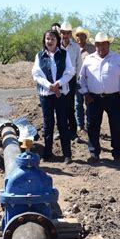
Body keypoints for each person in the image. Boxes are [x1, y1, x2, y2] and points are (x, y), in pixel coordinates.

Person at [79, 32, 120, 163]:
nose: (101, 47)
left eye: (103, 44)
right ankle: (94, 153)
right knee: (92, 126)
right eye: (98, 44)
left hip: (113, 98)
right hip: (93, 98)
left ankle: (117, 154)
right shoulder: (88, 60)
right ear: (94, 45)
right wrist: (86, 94)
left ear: (108, 44)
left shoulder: (118, 59)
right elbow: (81, 79)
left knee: (116, 126)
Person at [32, 29, 75, 164]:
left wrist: (58, 83)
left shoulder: (64, 54)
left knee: (62, 123)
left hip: (61, 94)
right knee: (48, 123)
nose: (49, 41)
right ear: (44, 41)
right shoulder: (39, 56)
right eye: (47, 39)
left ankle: (67, 154)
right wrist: (49, 85)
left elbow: (70, 71)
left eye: (52, 39)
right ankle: (47, 153)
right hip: (46, 94)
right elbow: (36, 74)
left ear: (57, 40)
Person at [59, 22, 82, 140]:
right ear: (60, 33)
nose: (65, 35)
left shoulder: (75, 47)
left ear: (70, 33)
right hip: (58, 79)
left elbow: (79, 64)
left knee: (70, 105)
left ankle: (73, 131)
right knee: (59, 105)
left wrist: (76, 79)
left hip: (71, 79)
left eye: (67, 33)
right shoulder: (56, 46)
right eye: (63, 32)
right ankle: (61, 131)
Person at [73, 26, 95, 134]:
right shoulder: (73, 49)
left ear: (86, 37)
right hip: (77, 80)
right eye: (77, 35)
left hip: (90, 80)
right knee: (78, 103)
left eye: (82, 35)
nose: (79, 37)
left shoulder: (92, 48)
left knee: (89, 103)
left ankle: (90, 124)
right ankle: (80, 125)